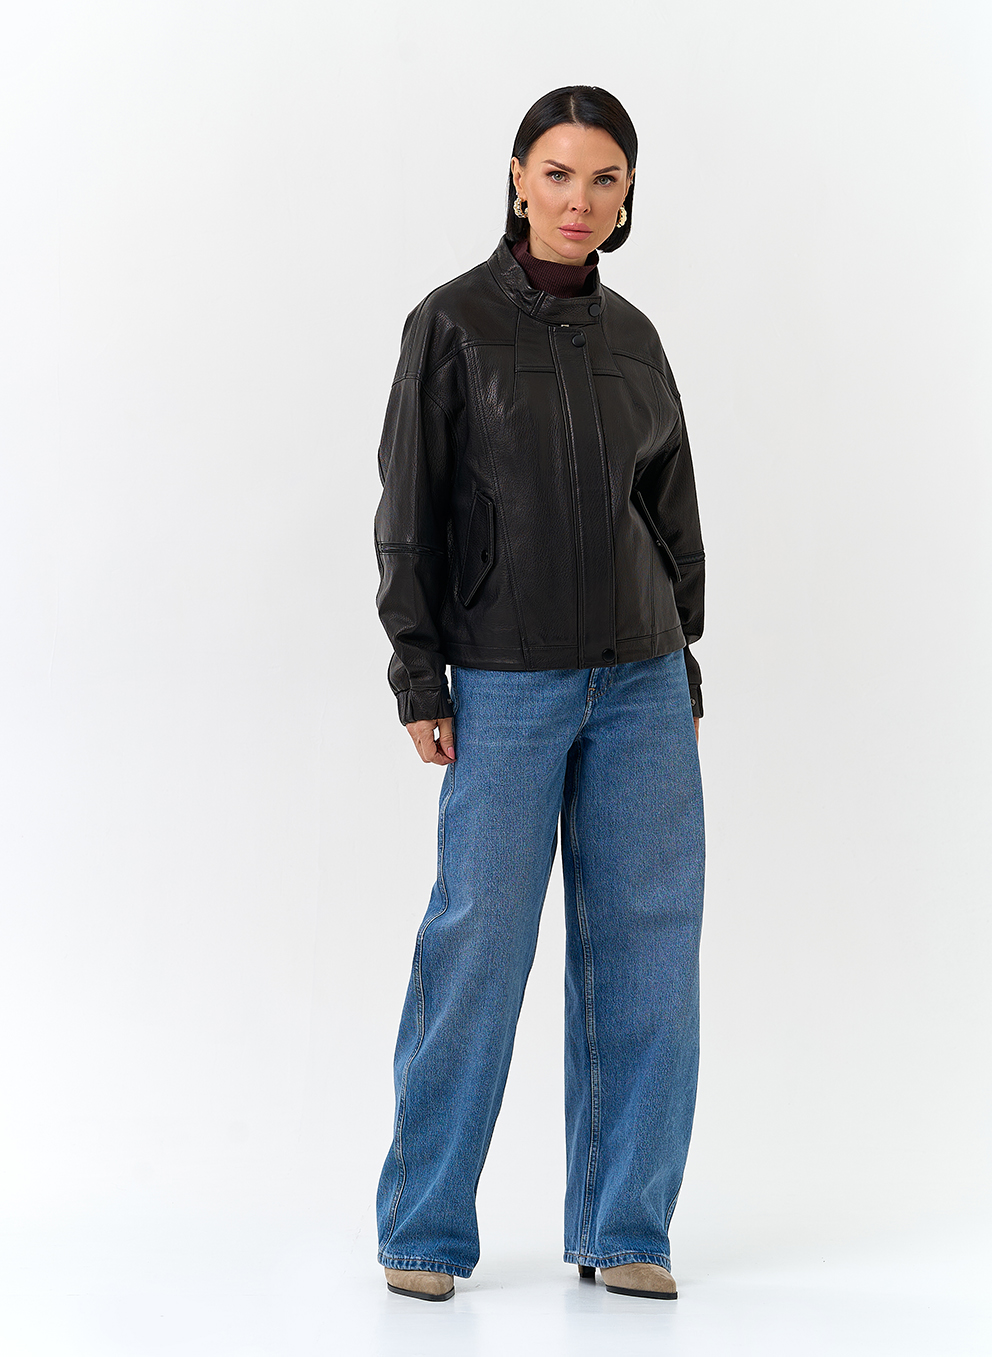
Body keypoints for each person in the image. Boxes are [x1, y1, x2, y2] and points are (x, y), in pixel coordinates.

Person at [372, 85, 706, 1304]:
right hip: (505, 682)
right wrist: (418, 667)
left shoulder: (634, 340)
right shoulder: (450, 324)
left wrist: (681, 651)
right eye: (557, 173)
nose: (579, 199)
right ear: (517, 177)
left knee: (648, 953)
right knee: (476, 944)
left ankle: (626, 1227)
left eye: (604, 179)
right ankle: (422, 1230)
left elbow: (668, 510)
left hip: (641, 682)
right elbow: (408, 508)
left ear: (627, 196)